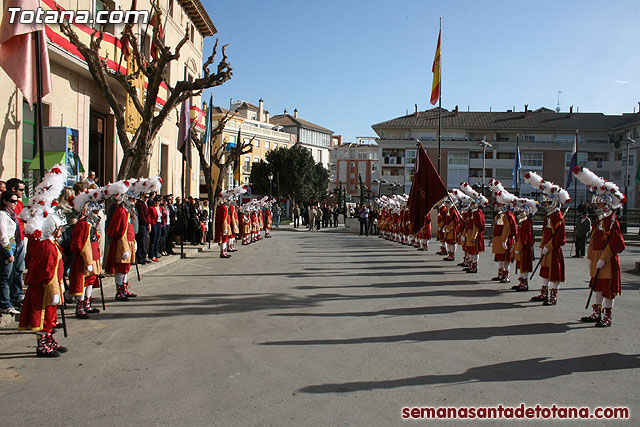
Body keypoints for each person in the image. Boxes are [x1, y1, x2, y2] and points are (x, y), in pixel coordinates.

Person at [18, 165, 69, 357]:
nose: (60, 231)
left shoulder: (51, 244)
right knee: (43, 315)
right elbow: (44, 269)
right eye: (57, 229)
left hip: (52, 286)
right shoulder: (44, 245)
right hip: (44, 287)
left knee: (51, 315)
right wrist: (52, 286)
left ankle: (50, 339)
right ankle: (42, 344)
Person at [573, 167, 626, 327]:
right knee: (597, 287)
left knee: (608, 289)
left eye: (600, 204)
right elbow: (594, 239)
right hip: (597, 257)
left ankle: (607, 315)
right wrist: (590, 256)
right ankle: (597, 312)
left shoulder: (612, 221)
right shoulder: (599, 221)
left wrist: (603, 258)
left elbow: (617, 243)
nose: (597, 207)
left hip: (607, 259)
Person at [524, 172, 569, 306]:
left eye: (548, 202)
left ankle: (553, 296)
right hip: (547, 248)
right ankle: (544, 292)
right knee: (545, 271)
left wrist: (548, 246)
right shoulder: (549, 216)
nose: (546, 204)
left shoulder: (557, 216)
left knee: (554, 273)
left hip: (553, 250)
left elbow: (560, 237)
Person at [105, 182, 138, 301]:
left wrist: (133, 242)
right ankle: (119, 291)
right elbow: (119, 231)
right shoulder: (121, 211)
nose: (134, 202)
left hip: (129, 242)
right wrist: (124, 247)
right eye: (132, 199)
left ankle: (124, 288)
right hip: (122, 244)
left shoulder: (127, 211)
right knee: (121, 267)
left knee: (126, 267)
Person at [488, 180, 517, 284]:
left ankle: (506, 275)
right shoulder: (499, 215)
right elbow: (497, 227)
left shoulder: (508, 215)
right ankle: (500, 274)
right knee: (500, 258)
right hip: (498, 239)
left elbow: (507, 228)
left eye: (500, 204)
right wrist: (493, 238)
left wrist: (504, 240)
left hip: (504, 240)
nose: (498, 205)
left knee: (506, 259)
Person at [6, 178, 26, 308]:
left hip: (21, 238)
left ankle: (17, 295)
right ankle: (9, 297)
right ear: (14, 189)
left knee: (19, 269)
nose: (23, 193)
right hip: (11, 240)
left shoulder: (19, 203)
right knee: (9, 272)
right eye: (21, 190)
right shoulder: (8, 204)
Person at [0, 191, 19, 315]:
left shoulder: (11, 214)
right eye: (12, 201)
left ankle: (7, 302)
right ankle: (5, 304)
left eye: (16, 200)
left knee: (9, 277)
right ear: (5, 201)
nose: (15, 203)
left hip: (12, 246)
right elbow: (3, 235)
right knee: (5, 278)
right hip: (5, 247)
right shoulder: (2, 214)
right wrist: (8, 252)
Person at [512, 198, 536, 291]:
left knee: (524, 265)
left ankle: (524, 283)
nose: (519, 214)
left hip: (524, 247)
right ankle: (521, 282)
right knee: (520, 265)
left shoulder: (527, 222)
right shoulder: (523, 221)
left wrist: (520, 246)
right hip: (520, 245)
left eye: (521, 212)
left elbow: (525, 236)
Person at [135, 193, 150, 264]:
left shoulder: (144, 204)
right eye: (145, 197)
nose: (146, 198)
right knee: (141, 242)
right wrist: (147, 223)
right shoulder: (140, 204)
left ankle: (143, 256)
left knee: (144, 242)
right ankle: (140, 257)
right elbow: (142, 216)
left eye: (147, 197)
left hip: (145, 225)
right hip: (142, 225)